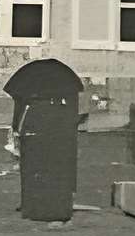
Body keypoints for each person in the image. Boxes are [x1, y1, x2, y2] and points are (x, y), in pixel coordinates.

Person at [5, 56, 83, 223]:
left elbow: (18, 107)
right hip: (58, 122)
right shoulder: (65, 78)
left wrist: (16, 128)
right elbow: (73, 106)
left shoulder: (27, 79)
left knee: (32, 165)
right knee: (57, 166)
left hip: (34, 120)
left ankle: (31, 206)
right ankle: (57, 206)